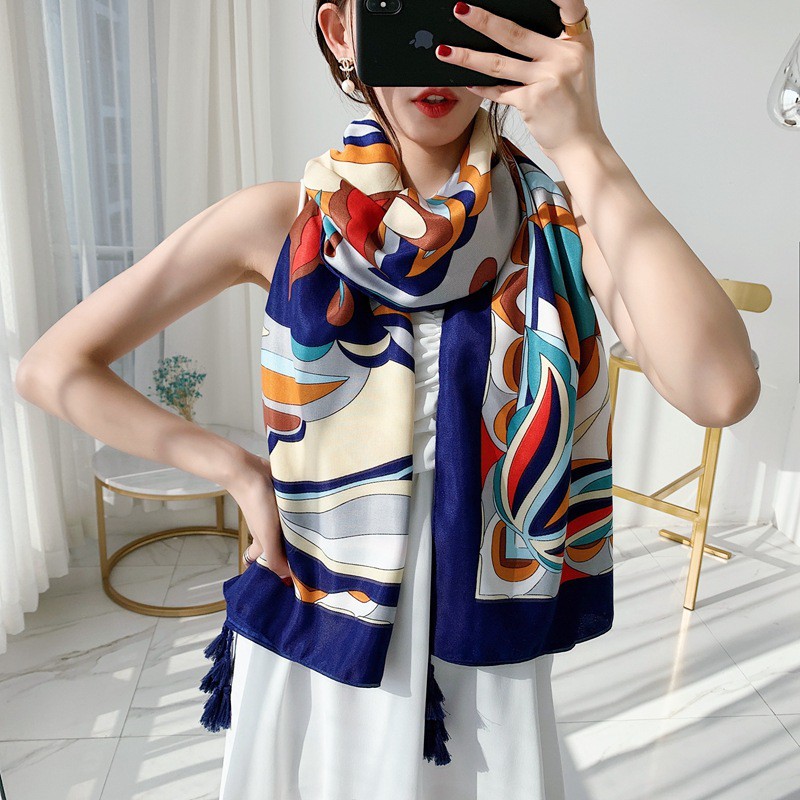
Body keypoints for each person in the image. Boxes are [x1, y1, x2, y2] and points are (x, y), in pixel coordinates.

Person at [14, 0, 760, 798]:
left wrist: (585, 144)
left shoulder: (561, 220)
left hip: (488, 639)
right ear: (344, 31)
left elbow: (719, 389)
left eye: (464, 13)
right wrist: (240, 473)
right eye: (406, 9)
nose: (438, 53)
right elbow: (54, 368)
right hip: (322, 625)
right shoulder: (284, 220)